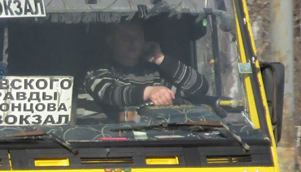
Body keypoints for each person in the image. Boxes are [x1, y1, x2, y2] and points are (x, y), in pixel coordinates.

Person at [81, 20, 209, 115]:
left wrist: (160, 58)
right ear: (110, 41)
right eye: (126, 37)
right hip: (100, 145)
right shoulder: (97, 70)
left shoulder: (153, 75)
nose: (133, 41)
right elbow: (109, 93)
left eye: (138, 36)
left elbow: (198, 88)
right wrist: (148, 92)